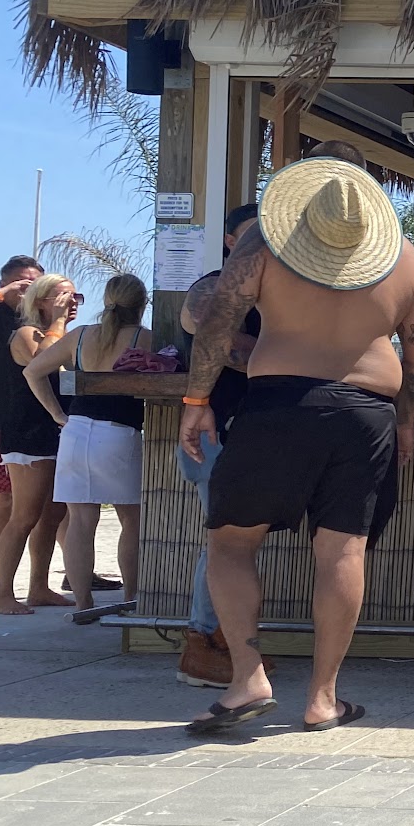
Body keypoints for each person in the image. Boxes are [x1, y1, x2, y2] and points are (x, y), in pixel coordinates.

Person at [178, 156, 414, 734]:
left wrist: (197, 400)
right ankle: (323, 700)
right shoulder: (406, 260)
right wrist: (407, 424)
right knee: (343, 553)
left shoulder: (266, 244)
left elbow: (218, 319)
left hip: (280, 405)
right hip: (368, 414)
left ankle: (248, 679)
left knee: (231, 543)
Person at [175, 205, 273, 686]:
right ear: (231, 242)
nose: (265, 243)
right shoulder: (212, 286)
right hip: (213, 433)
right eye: (254, 234)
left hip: (243, 433)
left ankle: (226, 645)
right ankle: (203, 645)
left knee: (233, 542)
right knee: (224, 541)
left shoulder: (270, 293)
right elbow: (214, 334)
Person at [25, 274, 151, 615]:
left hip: (77, 431)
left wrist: (57, 414)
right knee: (132, 520)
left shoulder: (80, 335)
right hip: (119, 432)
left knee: (80, 521)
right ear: (142, 304)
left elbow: (33, 371)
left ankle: (83, 603)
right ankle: (131, 597)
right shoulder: (144, 337)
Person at [0, 273, 78, 615]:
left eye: (75, 298)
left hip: (55, 430)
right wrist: (57, 322)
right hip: (27, 432)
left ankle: (39, 587)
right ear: (41, 301)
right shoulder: (26, 334)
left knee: (53, 514)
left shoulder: (63, 334)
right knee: (24, 515)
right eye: (64, 297)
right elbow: (44, 359)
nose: (72, 304)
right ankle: (3, 594)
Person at [0, 255, 43, 593]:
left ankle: (56, 578)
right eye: (22, 281)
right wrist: (4, 293)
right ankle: (0, 580)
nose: (27, 288)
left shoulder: (41, 317)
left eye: (34, 282)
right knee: (0, 499)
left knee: (50, 503)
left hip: (34, 417)